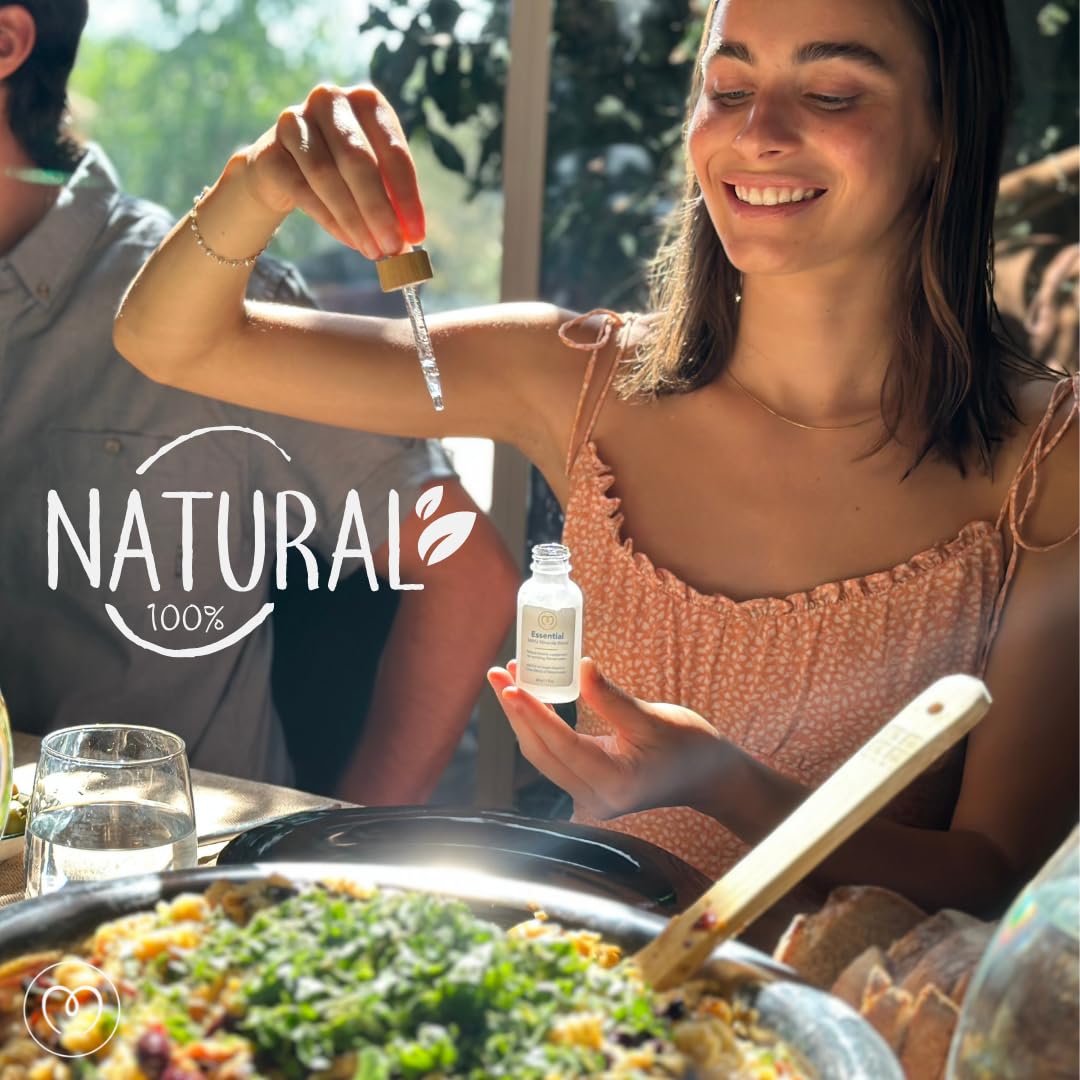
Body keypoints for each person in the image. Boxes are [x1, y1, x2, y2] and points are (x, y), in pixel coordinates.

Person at [114, 0, 1077, 919]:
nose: (759, 134)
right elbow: (170, 342)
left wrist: (726, 785)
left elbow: (996, 880)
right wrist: (265, 179)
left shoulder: (1047, 459)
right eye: (728, 89)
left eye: (830, 95)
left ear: (947, 126)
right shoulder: (576, 378)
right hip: (589, 998)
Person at [0, 0, 517, 799]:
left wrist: (344, 849)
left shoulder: (217, 315)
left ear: (7, 42)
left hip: (177, 866)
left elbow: (467, 576)